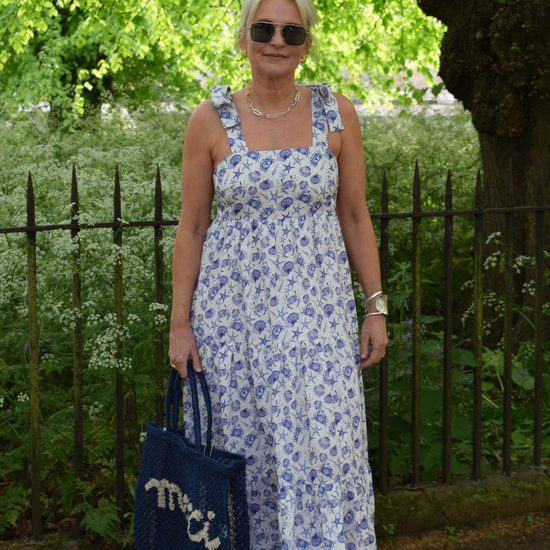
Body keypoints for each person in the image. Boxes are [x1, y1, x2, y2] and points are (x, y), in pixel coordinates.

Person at [169, 0, 388, 547]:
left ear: (305, 43)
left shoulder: (336, 112)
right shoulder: (209, 119)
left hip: (318, 322)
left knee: (328, 448)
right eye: (263, 28)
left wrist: (376, 307)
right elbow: (192, 227)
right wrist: (179, 324)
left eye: (291, 31)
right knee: (243, 454)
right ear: (243, 38)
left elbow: (356, 216)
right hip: (232, 323)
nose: (277, 40)